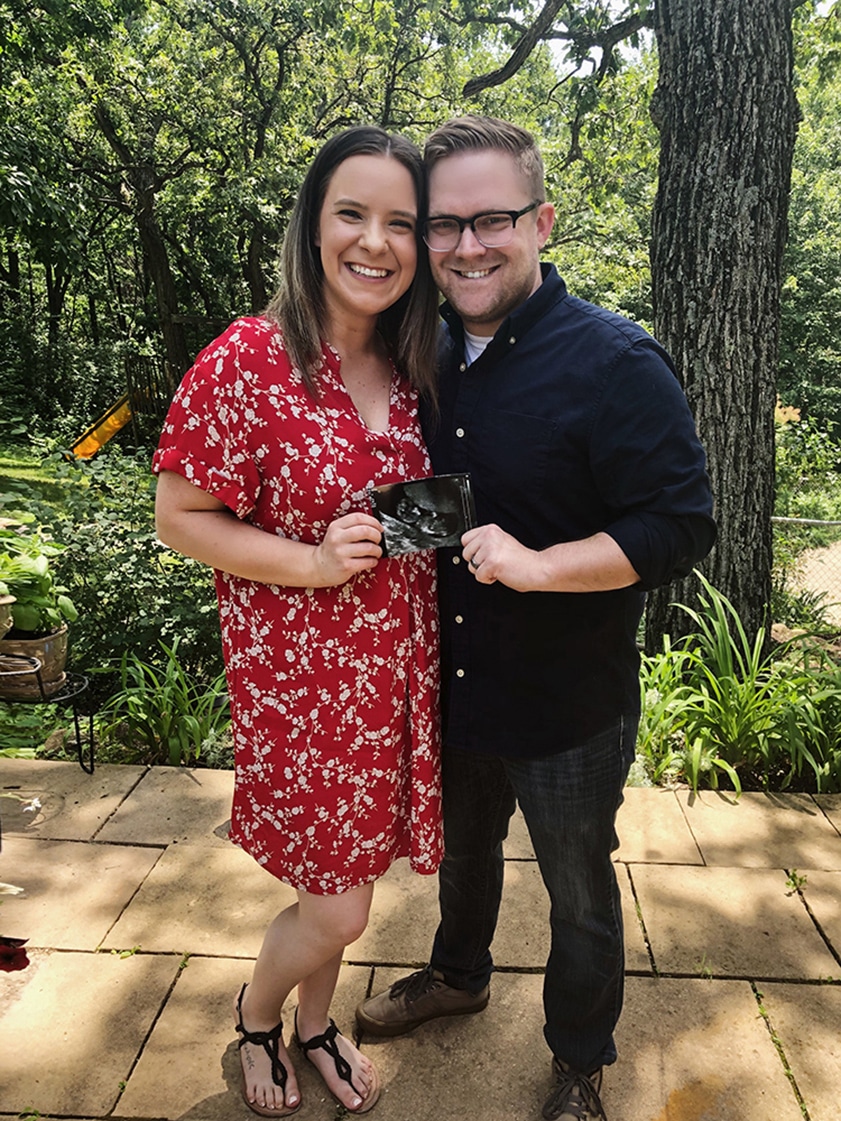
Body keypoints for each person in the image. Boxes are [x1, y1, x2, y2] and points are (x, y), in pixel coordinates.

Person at [355, 116, 716, 1121]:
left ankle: (579, 1060)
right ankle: (457, 974)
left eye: (493, 219)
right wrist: (368, 523)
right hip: (453, 685)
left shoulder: (614, 360)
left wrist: (540, 563)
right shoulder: (411, 348)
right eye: (444, 225)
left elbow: (680, 525)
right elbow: (440, 497)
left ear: (541, 221)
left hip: (567, 700)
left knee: (578, 891)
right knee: (463, 856)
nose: (467, 245)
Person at [153, 126, 444, 1118]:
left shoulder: (415, 368)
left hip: (389, 683)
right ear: (312, 227)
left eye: (399, 221)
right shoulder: (250, 357)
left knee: (350, 884)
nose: (375, 240)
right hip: (300, 688)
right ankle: (255, 1013)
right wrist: (315, 564)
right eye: (351, 213)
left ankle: (316, 1026)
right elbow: (179, 517)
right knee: (339, 901)